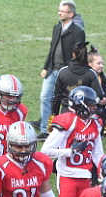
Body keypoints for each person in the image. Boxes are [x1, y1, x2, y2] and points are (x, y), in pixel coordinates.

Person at [38, 0, 85, 139]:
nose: (59, 13)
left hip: (66, 72)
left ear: (71, 14)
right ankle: (45, 129)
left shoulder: (78, 32)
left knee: (64, 101)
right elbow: (52, 49)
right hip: (52, 70)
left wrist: (71, 70)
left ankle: (66, 127)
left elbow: (78, 54)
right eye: (59, 10)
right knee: (45, 97)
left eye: (62, 11)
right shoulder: (57, 28)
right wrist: (46, 67)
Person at [51, 41, 104, 116]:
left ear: (73, 54)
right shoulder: (91, 73)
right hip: (85, 114)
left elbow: (56, 97)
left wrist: (54, 115)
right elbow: (99, 95)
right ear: (86, 55)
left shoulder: (63, 72)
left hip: (66, 113)